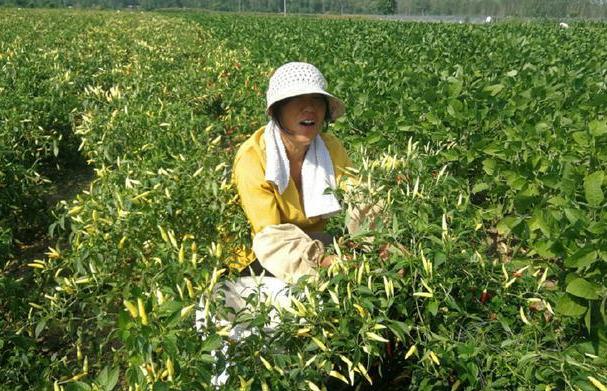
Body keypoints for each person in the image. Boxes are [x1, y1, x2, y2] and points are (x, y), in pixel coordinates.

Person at [231, 61, 353, 282]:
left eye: (317, 99)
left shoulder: (330, 147)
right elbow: (270, 236)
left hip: (319, 245)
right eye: (297, 99)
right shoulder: (253, 157)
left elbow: (360, 197)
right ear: (277, 110)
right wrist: (323, 261)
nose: (309, 108)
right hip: (267, 259)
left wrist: (381, 242)